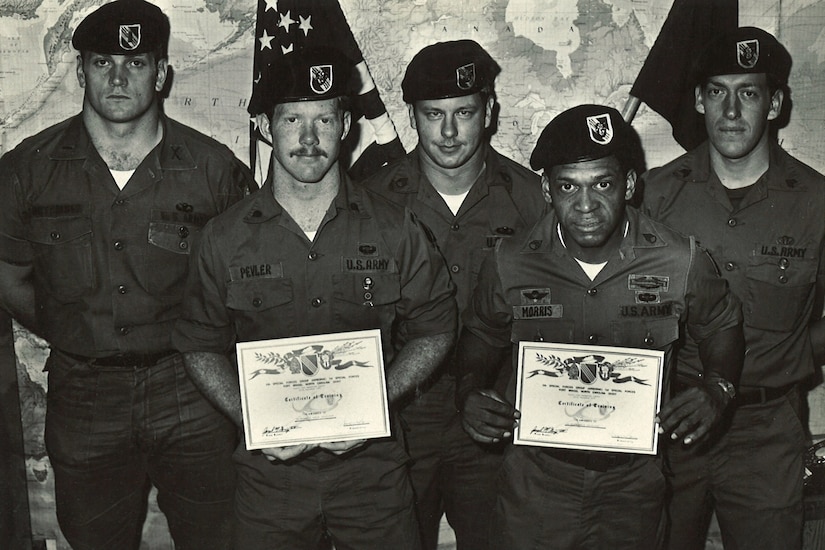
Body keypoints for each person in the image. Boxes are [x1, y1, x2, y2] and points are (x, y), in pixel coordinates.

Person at [171, 46, 457, 550]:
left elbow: (436, 328)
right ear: (264, 125)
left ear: (346, 124)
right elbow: (198, 343)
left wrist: (377, 400)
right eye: (292, 120)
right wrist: (251, 417)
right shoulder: (223, 238)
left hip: (374, 473)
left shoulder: (396, 227)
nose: (309, 139)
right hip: (268, 479)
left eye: (324, 118)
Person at [0, 1, 255, 548]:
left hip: (190, 388)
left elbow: (246, 287)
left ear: (162, 73)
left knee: (218, 535)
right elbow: (10, 274)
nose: (117, 78)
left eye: (136, 63)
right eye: (102, 62)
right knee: (94, 538)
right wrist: (73, 326)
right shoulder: (27, 171)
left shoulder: (215, 172)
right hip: (83, 393)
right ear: (79, 71)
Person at [456, 104, 745, 549]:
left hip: (634, 483)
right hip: (536, 480)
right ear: (546, 189)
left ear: (628, 184)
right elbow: (482, 334)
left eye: (603, 184)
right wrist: (469, 390)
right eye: (568, 185)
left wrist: (718, 388)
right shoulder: (510, 261)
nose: (586, 205)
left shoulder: (678, 260)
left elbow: (721, 325)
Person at [641, 27, 825, 550]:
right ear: (699, 100)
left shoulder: (815, 202)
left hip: (765, 431)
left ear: (775, 104)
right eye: (717, 91)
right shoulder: (656, 196)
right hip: (670, 423)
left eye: (748, 93)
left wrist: (783, 362)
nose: (731, 110)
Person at [359, 39, 546, 550]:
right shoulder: (371, 200)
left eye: (463, 112)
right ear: (412, 117)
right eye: (431, 114)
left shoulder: (533, 201)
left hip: (496, 415)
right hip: (400, 417)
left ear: (489, 112)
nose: (447, 132)